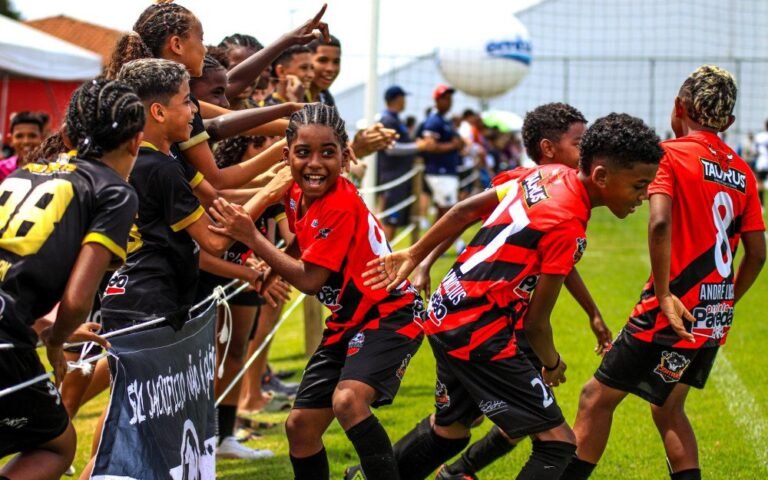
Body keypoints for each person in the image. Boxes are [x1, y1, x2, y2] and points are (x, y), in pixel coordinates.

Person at [360, 112, 663, 480]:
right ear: (601, 176)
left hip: (448, 311)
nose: (644, 196)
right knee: (558, 444)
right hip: (478, 329)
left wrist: (416, 253)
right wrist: (552, 364)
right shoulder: (567, 222)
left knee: (450, 430)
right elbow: (537, 323)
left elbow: (464, 209)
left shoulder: (547, 174)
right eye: (639, 185)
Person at [563, 66, 767, 480]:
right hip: (712, 313)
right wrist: (725, 302)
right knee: (669, 408)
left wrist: (663, 293)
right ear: (727, 122)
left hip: (669, 308)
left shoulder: (669, 154)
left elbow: (659, 222)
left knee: (594, 399)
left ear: (678, 106)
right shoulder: (743, 172)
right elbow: (758, 254)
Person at [208, 104, 425, 480]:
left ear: (345, 157)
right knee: (300, 428)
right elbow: (306, 249)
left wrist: (254, 238)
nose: (315, 163)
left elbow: (310, 281)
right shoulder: (293, 192)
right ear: (285, 155)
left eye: (328, 153)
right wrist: (274, 259)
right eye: (303, 152)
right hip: (349, 320)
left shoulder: (338, 203)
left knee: (349, 400)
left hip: (390, 314)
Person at [435, 102, 612, 480]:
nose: (588, 149)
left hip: (498, 315)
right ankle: (454, 471)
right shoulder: (533, 181)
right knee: (543, 429)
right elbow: (466, 214)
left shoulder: (565, 191)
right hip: (490, 317)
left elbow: (559, 264)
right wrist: (421, 259)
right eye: (580, 142)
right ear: (548, 149)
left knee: (502, 418)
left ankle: (455, 472)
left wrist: (591, 311)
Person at [0, 78, 145, 480]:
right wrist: (57, 338)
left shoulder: (26, 172)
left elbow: (11, 271)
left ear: (66, 134)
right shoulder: (113, 190)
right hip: (5, 337)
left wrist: (45, 325)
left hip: (9, 324)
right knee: (56, 444)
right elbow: (79, 298)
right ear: (136, 141)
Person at [377, 85, 436, 240]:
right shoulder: (388, 120)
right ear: (398, 99)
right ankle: (382, 259)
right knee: (390, 220)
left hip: (400, 176)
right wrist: (418, 145)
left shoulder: (395, 119)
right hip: (393, 177)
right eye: (404, 98)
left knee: (394, 220)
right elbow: (390, 148)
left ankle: (386, 259)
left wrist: (416, 144)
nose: (405, 102)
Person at [421, 84, 465, 223]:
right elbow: (430, 145)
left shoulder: (446, 120)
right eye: (445, 98)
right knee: (449, 209)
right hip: (439, 171)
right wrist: (453, 145)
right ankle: (455, 242)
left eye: (450, 98)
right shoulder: (434, 120)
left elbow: (461, 142)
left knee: (443, 209)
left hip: (447, 170)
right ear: (437, 100)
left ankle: (434, 242)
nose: (449, 101)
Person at [0, 112, 47, 181]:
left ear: (42, 138)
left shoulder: (53, 170)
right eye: (19, 136)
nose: (26, 141)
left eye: (32, 136)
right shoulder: (2, 170)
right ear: (11, 139)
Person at [751, 119, 768, 205]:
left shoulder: (759, 136)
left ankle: (762, 204)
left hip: (762, 162)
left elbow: (754, 150)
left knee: (759, 182)